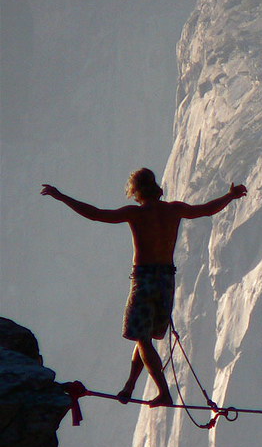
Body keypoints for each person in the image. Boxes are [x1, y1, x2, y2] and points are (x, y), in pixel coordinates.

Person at [42, 168, 247, 407]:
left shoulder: (135, 214)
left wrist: (62, 197)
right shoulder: (174, 209)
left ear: (136, 192)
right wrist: (229, 196)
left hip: (145, 279)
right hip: (166, 281)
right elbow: (205, 210)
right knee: (145, 337)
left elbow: (96, 214)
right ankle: (129, 385)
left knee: (141, 337)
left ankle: (163, 391)